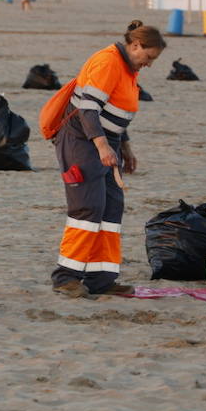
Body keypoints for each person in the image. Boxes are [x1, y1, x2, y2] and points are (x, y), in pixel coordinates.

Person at [51, 21, 165, 299]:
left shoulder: (129, 68)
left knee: (111, 208)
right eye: (148, 57)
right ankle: (66, 277)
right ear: (135, 46)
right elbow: (88, 110)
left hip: (106, 142)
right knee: (87, 208)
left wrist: (124, 145)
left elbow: (117, 111)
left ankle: (101, 279)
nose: (148, 64)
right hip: (81, 140)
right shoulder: (108, 62)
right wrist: (102, 146)